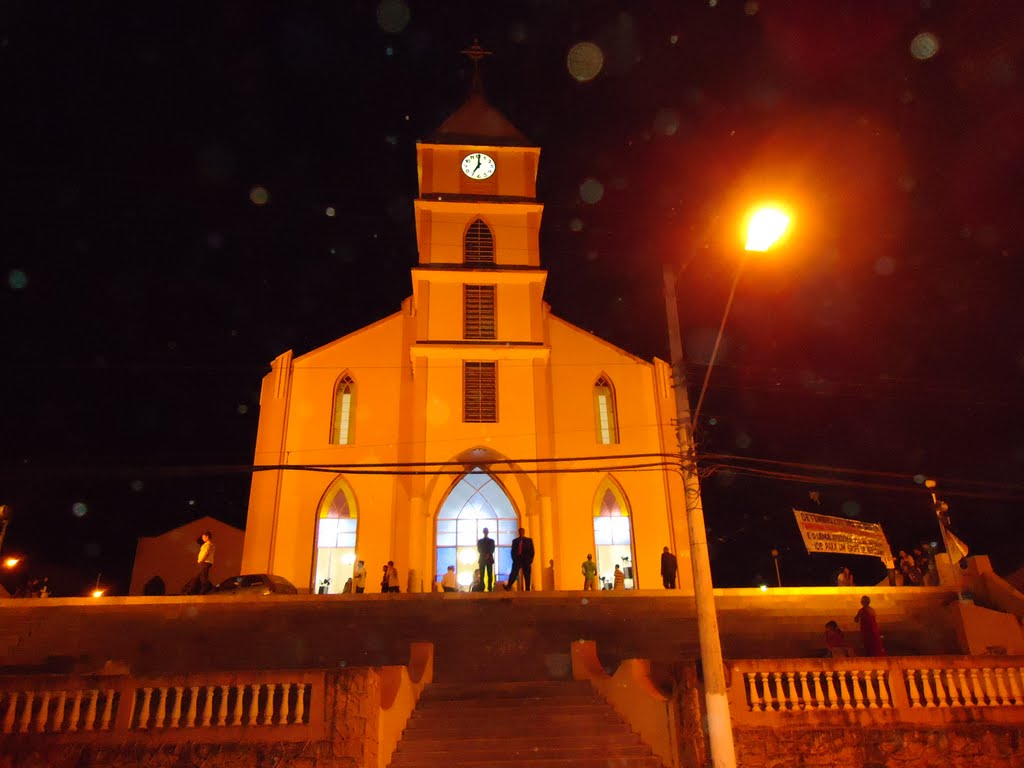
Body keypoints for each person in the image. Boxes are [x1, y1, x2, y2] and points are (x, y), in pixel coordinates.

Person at [477, 527, 496, 592]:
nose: (485, 532)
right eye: (485, 531)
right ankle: (482, 587)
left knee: (490, 574)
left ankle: (489, 587)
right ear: (483, 532)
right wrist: (486, 554)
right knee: (482, 574)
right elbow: (479, 549)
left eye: (486, 531)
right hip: (483, 558)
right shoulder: (480, 541)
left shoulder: (491, 541)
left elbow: (492, 549)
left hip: (488, 558)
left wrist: (487, 554)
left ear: (487, 532)